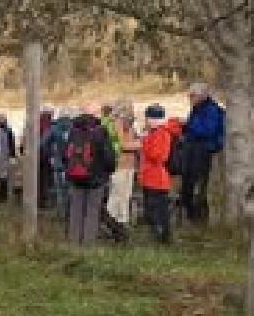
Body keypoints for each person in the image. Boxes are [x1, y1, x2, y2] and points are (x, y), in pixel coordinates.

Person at [62, 102, 118, 245]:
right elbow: (108, 156)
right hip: (96, 177)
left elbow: (65, 154)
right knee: (92, 211)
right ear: (95, 114)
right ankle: (88, 243)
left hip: (75, 176)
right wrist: (109, 171)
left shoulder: (73, 130)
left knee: (76, 209)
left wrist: (69, 170)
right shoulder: (100, 131)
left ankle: (73, 240)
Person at [178, 83, 225, 225]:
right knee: (188, 182)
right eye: (189, 95)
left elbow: (207, 130)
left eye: (193, 95)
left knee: (200, 184)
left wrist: (187, 125)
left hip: (205, 151)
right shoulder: (197, 108)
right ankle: (190, 215)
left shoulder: (211, 110)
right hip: (193, 149)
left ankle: (199, 217)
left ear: (202, 96)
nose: (190, 98)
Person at [138, 104, 181, 244]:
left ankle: (163, 238)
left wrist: (144, 143)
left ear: (152, 119)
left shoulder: (161, 133)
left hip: (157, 177)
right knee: (154, 210)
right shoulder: (157, 132)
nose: (145, 121)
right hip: (152, 177)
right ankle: (160, 237)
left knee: (158, 211)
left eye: (146, 118)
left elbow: (158, 156)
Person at [102, 100, 139, 243]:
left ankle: (122, 226)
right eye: (130, 109)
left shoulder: (128, 123)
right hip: (119, 166)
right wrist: (141, 144)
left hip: (128, 165)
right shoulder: (117, 122)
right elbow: (121, 144)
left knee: (125, 197)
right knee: (116, 197)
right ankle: (112, 226)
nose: (132, 112)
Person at [0, 113, 16, 203]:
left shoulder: (7, 131)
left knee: (3, 176)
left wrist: (12, 156)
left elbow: (12, 143)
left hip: (4, 156)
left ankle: (2, 196)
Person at [34, 106, 57, 209]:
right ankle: (42, 201)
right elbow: (44, 142)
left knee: (38, 179)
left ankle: (38, 200)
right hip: (45, 156)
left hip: (35, 156)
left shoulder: (35, 123)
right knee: (44, 180)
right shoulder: (49, 125)